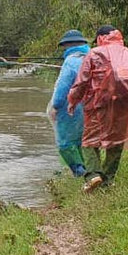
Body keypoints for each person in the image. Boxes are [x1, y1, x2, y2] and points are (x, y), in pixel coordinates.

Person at [68, 25, 128, 193]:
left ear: (100, 38)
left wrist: (72, 100)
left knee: (89, 142)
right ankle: (108, 180)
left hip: (98, 105)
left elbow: (82, 81)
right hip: (124, 106)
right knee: (116, 142)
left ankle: (93, 175)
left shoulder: (95, 54)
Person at [49, 29, 89, 177]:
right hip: (92, 106)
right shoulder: (93, 57)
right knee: (81, 140)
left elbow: (63, 87)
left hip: (72, 108)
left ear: (69, 45)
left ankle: (80, 172)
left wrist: (55, 106)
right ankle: (89, 171)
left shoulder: (71, 61)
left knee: (65, 143)